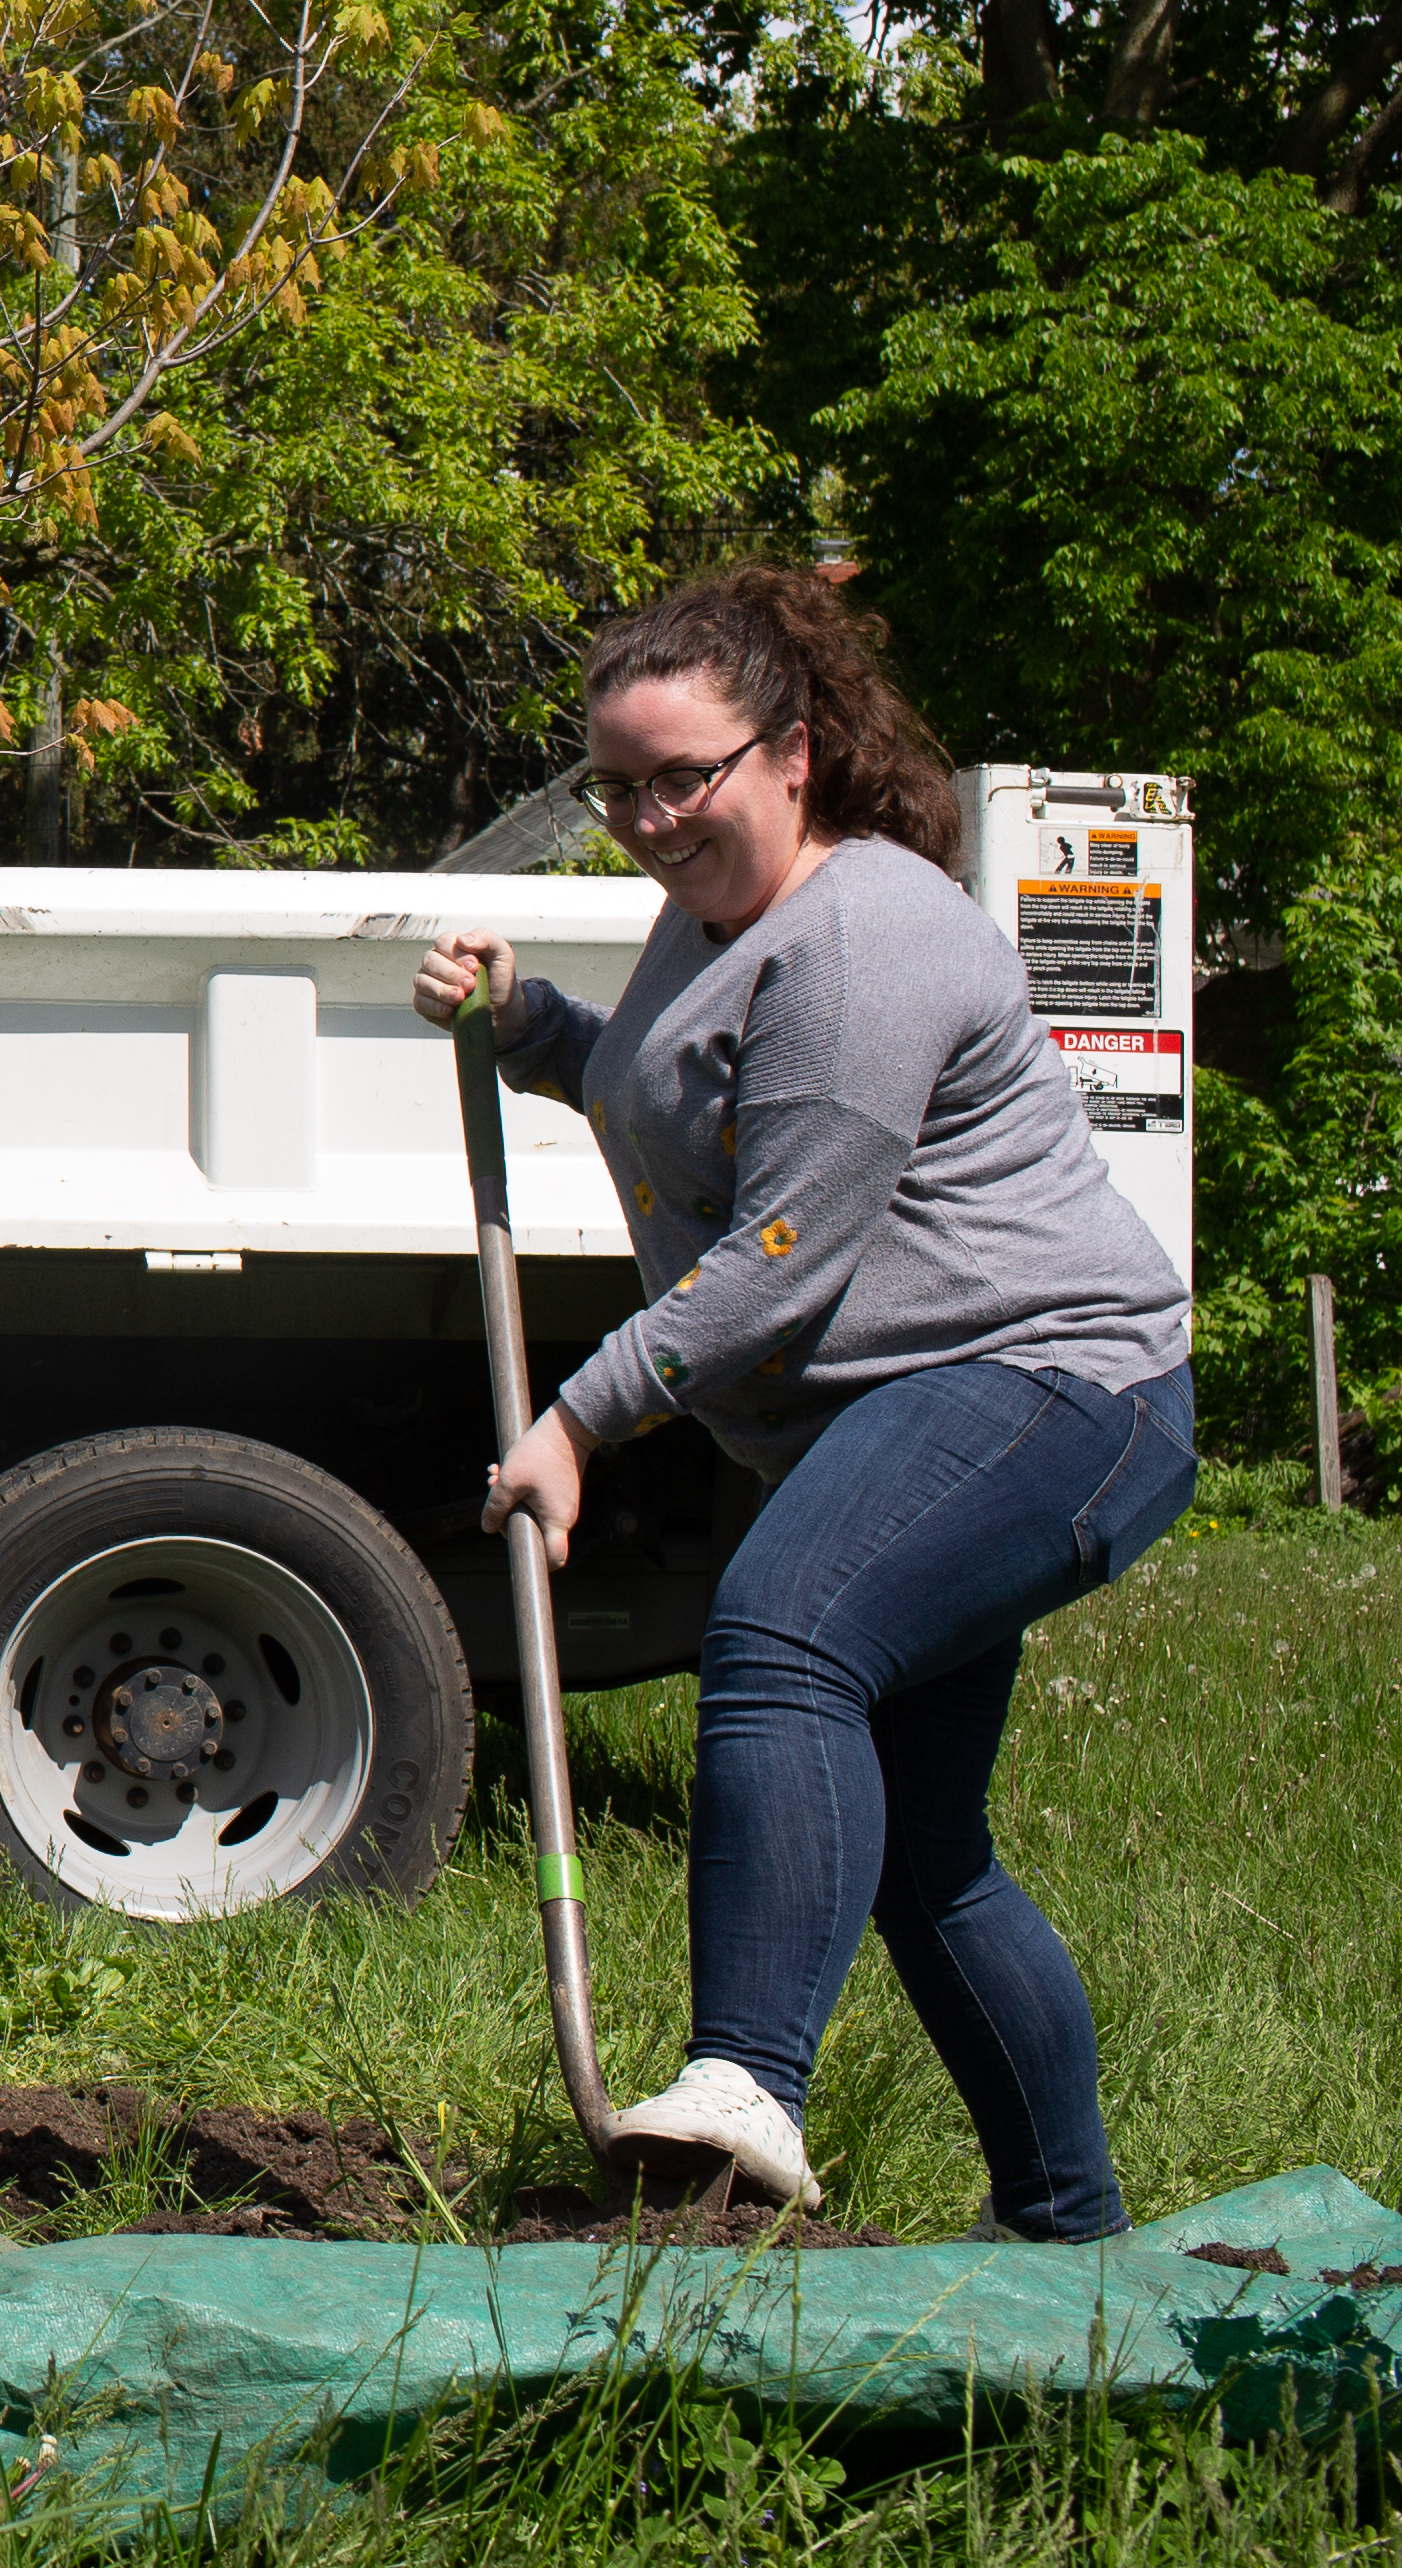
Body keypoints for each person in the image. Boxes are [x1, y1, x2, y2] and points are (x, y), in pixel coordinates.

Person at [410, 566, 1192, 2236]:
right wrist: (529, 1023)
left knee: (782, 1638)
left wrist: (577, 1420)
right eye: (614, 784)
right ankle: (1071, 2232)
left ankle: (746, 2079)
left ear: (794, 754)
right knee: (926, 1860)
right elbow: (670, 1094)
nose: (644, 816)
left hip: (1051, 1384)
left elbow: (786, 1246)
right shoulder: (713, 918)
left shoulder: (869, 931)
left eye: (680, 777)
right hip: (908, 1412)